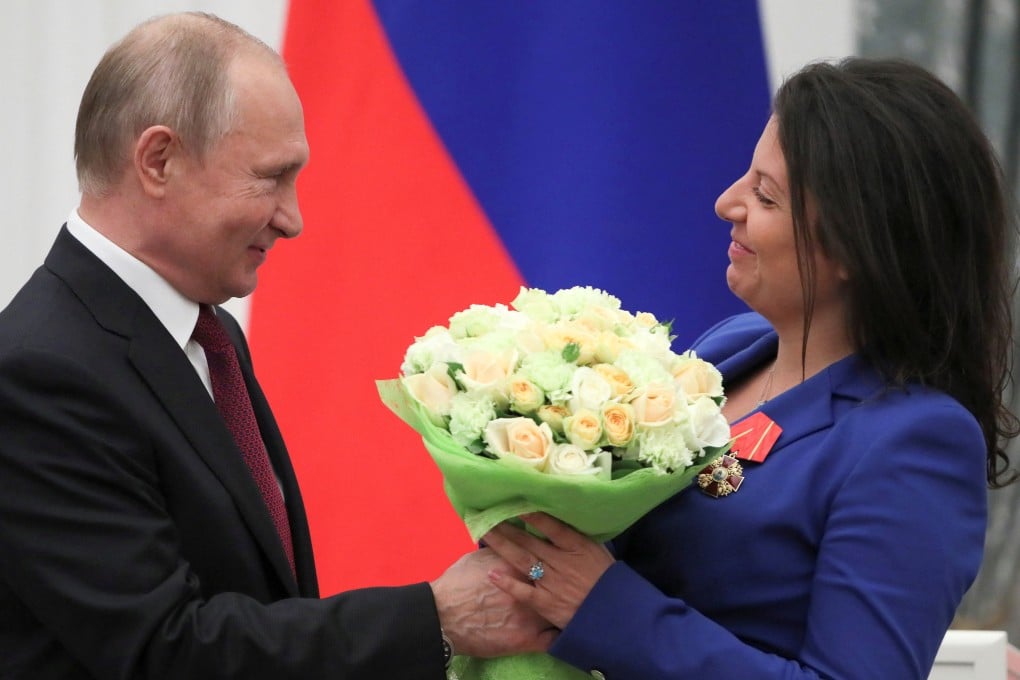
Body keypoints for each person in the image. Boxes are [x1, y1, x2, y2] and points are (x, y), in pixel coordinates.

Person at [0, 12, 553, 679]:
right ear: (158, 161)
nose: (293, 219)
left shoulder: (209, 333)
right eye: (269, 177)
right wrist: (435, 619)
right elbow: (161, 651)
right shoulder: (38, 372)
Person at [482, 57, 1018, 678]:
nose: (725, 203)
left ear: (856, 245)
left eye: (765, 195)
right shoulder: (733, 347)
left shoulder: (916, 441)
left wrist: (604, 608)